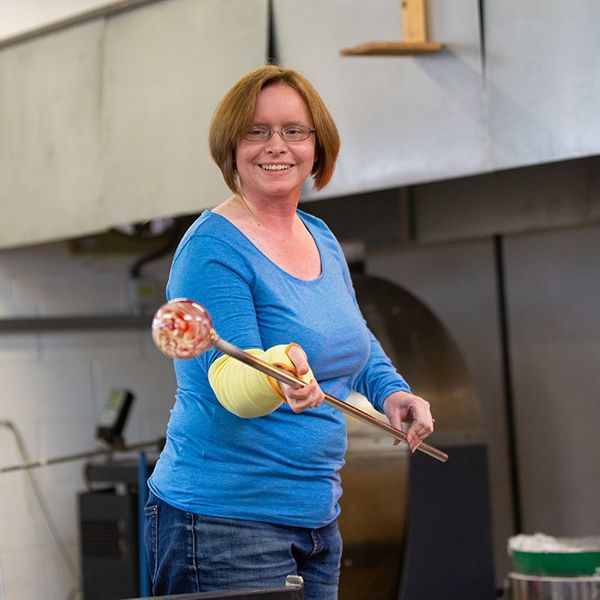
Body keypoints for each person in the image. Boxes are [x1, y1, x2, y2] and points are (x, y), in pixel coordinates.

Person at [144, 64, 435, 600]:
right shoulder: (213, 247)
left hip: (317, 515)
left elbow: (352, 337)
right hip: (224, 522)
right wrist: (278, 373)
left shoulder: (319, 235)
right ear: (231, 145)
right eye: (256, 131)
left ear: (317, 145)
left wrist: (391, 391)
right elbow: (230, 381)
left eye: (294, 131)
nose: (275, 146)